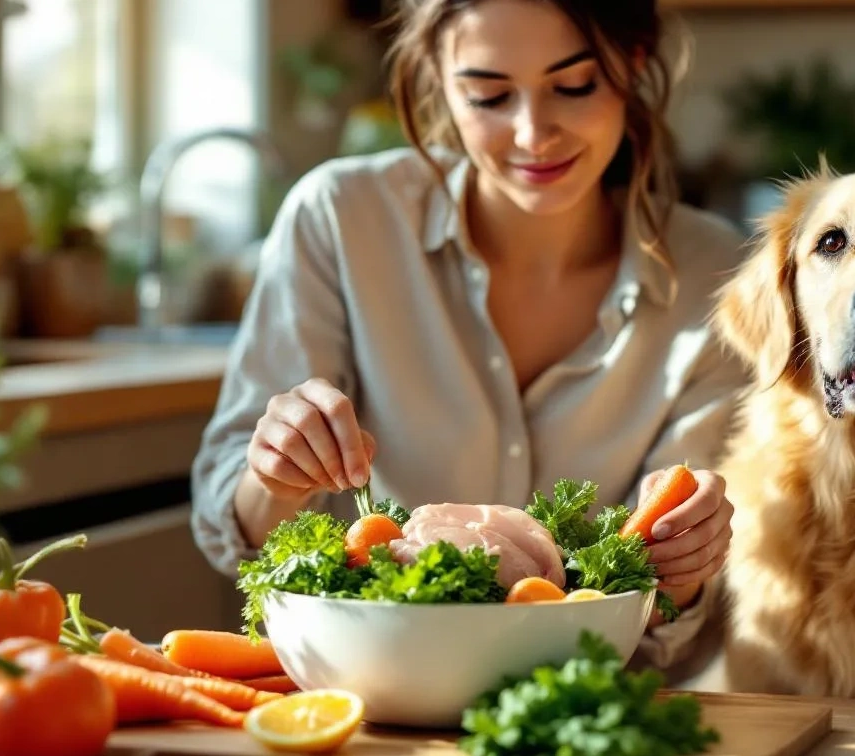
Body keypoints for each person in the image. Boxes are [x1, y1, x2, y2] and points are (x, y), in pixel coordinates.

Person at [190, 0, 749, 679]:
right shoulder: (340, 221)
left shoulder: (717, 277)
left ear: (631, 68)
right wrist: (274, 475)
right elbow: (239, 537)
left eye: (574, 86)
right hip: (368, 702)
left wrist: (686, 568)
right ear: (438, 82)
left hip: (583, 712)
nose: (532, 133)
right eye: (488, 95)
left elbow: (670, 627)